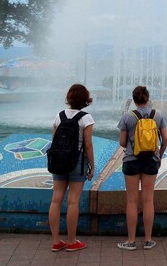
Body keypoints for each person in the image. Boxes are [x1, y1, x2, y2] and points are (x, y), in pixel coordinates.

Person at [117, 85, 167, 251]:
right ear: (148, 98)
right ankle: (148, 240)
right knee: (148, 200)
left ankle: (131, 241)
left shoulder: (127, 117)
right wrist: (159, 155)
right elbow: (166, 138)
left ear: (134, 99)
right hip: (151, 160)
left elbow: (122, 142)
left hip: (131, 160)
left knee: (132, 201)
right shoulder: (158, 115)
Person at [48, 84, 95, 253]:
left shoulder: (59, 116)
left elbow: (54, 142)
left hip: (59, 161)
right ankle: (71, 241)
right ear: (85, 100)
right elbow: (88, 145)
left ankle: (55, 241)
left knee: (56, 200)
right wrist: (92, 166)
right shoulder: (86, 118)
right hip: (77, 162)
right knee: (73, 201)